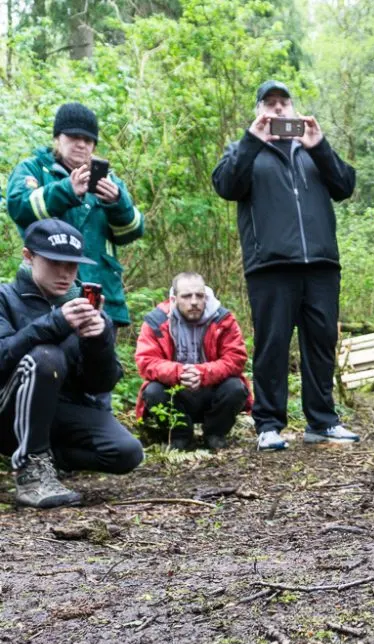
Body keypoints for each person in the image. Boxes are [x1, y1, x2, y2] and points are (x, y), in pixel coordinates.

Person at [212, 80, 359, 451]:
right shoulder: (245, 150)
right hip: (270, 266)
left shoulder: (312, 148)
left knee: (321, 343)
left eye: (283, 103)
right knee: (273, 345)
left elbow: (345, 186)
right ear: (259, 111)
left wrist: (320, 145)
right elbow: (226, 185)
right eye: (269, 103)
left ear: (294, 109)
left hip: (321, 263)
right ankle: (268, 424)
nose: (278, 110)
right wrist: (252, 141)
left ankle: (322, 422)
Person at [0, 219, 144, 508]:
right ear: (28, 257)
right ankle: (31, 474)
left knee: (126, 452)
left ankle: (46, 460)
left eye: (72, 265)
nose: (65, 273)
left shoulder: (82, 307)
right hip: (7, 412)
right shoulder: (5, 297)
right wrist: (56, 322)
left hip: (59, 411)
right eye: (55, 263)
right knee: (45, 357)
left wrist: (98, 339)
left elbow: (100, 383)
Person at [7, 102, 145, 329]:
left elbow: (133, 231)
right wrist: (67, 190)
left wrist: (116, 203)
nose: (81, 144)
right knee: (47, 357)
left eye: (88, 140)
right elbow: (19, 207)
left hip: (99, 288)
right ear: (57, 138)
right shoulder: (33, 169)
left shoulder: (108, 180)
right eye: (73, 137)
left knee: (97, 359)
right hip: (47, 290)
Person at [135, 272, 252, 451]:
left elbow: (236, 358)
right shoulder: (156, 321)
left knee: (235, 387)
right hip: (176, 393)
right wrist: (178, 373)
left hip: (212, 391)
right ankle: (179, 436)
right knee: (153, 391)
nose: (194, 301)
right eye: (187, 296)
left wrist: (203, 374)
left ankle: (215, 434)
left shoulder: (223, 319)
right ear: (174, 299)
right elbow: (146, 361)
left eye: (199, 295)